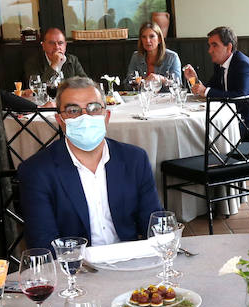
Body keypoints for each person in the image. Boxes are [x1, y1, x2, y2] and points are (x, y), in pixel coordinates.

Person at [18, 76, 163, 252]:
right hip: (75, 270)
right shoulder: (37, 171)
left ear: (106, 116)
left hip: (129, 262)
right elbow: (44, 245)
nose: (85, 117)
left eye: (94, 108)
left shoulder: (134, 159)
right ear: (60, 120)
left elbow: (154, 227)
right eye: (73, 110)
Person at [182, 26, 249, 143]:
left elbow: (240, 97)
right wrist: (194, 80)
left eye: (214, 45)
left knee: (203, 134)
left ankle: (213, 159)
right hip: (232, 119)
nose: (209, 50)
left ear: (229, 47)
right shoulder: (220, 64)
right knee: (201, 132)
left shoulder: (243, 65)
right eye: (210, 45)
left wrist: (205, 91)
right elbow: (210, 89)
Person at [124, 22, 182, 90]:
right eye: (144, 37)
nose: (147, 41)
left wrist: (161, 79)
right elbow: (127, 84)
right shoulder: (136, 57)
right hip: (142, 99)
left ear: (159, 39)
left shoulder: (172, 57)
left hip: (166, 99)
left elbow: (177, 85)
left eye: (152, 36)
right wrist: (143, 82)